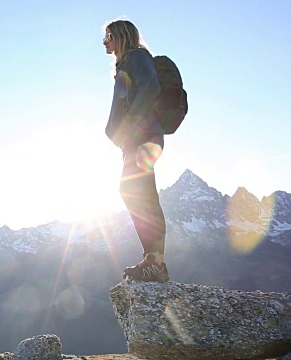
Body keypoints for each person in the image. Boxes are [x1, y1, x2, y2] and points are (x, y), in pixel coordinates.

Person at [103, 19, 169, 282]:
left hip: (143, 136)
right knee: (139, 191)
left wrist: (130, 127)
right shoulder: (126, 63)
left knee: (136, 191)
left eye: (108, 36)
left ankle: (156, 262)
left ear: (120, 36)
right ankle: (154, 261)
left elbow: (151, 87)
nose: (104, 42)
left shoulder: (137, 57)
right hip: (137, 138)